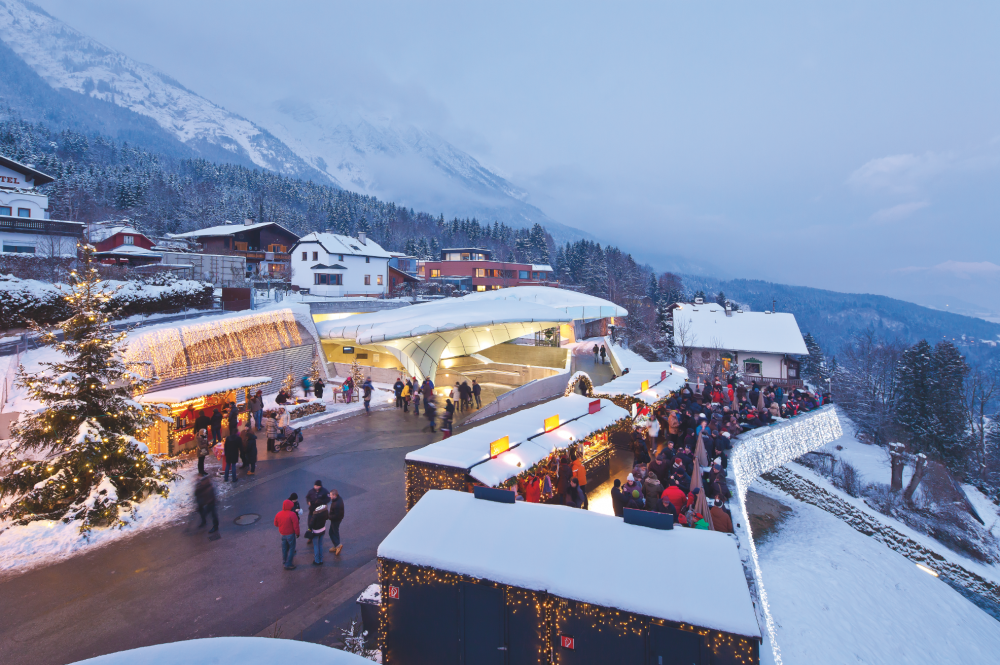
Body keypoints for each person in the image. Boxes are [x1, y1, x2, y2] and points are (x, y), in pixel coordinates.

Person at [274, 499, 300, 570]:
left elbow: (276, 524)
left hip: (282, 534)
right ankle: (288, 563)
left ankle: (284, 561)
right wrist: (297, 533)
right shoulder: (292, 514)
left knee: (284, 548)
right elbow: (296, 525)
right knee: (292, 548)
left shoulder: (278, 514)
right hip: (291, 534)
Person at [308, 501, 329, 565]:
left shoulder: (315, 514)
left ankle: (317, 560)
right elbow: (327, 517)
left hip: (316, 532)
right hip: (322, 530)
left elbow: (311, 524)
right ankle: (321, 559)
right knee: (320, 545)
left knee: (316, 546)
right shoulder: (325, 511)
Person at [328, 488, 345, 556]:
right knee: (334, 532)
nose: (330, 496)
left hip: (335, 520)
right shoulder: (338, 499)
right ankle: (336, 545)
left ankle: (338, 545)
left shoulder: (336, 504)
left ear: (334, 495)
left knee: (332, 532)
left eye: (331, 495)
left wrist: (328, 517)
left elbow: (335, 515)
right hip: (337, 519)